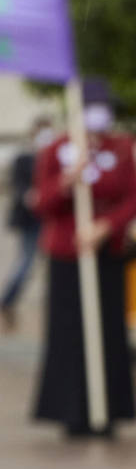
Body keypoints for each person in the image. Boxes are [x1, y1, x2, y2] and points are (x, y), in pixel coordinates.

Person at [32, 81, 136, 439]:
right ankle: (71, 410)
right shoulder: (55, 150)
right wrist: (68, 181)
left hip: (105, 253)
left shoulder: (122, 148)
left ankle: (107, 411)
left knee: (108, 332)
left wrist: (106, 227)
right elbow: (42, 203)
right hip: (68, 254)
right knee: (69, 333)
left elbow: (134, 197)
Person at [2, 117, 55, 332]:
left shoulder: (53, 156)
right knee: (27, 261)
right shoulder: (24, 158)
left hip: (49, 217)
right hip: (30, 219)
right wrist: (30, 196)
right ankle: (7, 300)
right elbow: (19, 186)